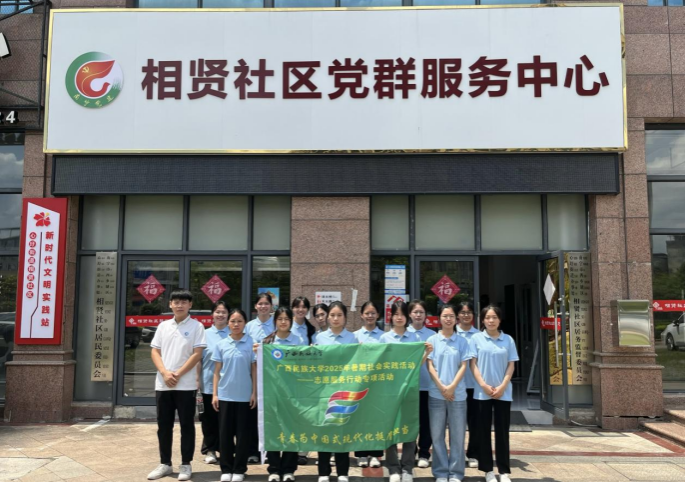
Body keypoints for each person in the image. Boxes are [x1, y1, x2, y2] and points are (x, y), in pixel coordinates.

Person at [147, 289, 207, 482]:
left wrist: (178, 374)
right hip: (163, 384)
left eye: (184, 302)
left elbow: (197, 354)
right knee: (163, 426)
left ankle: (186, 464)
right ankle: (165, 463)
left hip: (186, 385)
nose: (179, 305)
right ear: (170, 304)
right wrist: (165, 373)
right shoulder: (163, 326)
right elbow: (155, 351)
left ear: (190, 305)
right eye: (176, 302)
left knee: (187, 426)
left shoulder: (197, 326)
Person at [380, 301, 432, 483]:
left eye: (402, 314)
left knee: (409, 428)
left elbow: (416, 364)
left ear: (407, 316)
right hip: (390, 391)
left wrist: (426, 354)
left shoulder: (414, 339)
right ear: (391, 317)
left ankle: (407, 467)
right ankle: (393, 467)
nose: (399, 317)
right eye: (396, 314)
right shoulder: (384, 338)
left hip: (410, 390)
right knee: (391, 428)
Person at [469, 306, 519, 483]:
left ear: (500, 319)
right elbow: (473, 365)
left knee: (502, 432)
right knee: (483, 432)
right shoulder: (476, 338)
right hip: (482, 392)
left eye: (494, 317)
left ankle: (504, 471)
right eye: (488, 317)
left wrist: (503, 386)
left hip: (503, 392)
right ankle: (488, 470)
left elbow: (511, 365)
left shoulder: (508, 340)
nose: (491, 321)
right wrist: (483, 385)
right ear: (482, 320)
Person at [426, 304, 471, 483]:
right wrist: (442, 388)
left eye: (451, 316)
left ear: (456, 319)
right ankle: (440, 472)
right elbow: (430, 366)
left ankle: (456, 473)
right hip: (436, 395)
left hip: (457, 395)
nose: (448, 319)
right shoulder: (432, 340)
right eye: (445, 316)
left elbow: (464, 366)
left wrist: (451, 387)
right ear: (439, 318)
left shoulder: (462, 341)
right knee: (437, 435)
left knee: (457, 435)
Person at [212, 309, 257, 483]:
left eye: (239, 321)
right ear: (228, 323)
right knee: (225, 435)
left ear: (245, 323)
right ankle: (226, 468)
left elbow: (254, 370)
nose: (236, 324)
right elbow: (217, 371)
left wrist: (254, 393)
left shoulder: (251, 343)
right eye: (233, 321)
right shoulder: (222, 344)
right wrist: (215, 394)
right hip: (225, 396)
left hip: (244, 396)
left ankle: (239, 469)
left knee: (243, 435)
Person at [314, 301, 357, 483]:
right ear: (327, 317)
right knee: (324, 429)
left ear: (345, 317)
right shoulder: (320, 338)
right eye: (332, 315)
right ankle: (324, 472)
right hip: (324, 390)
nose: (335, 318)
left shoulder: (352, 338)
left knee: (342, 430)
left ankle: (342, 472)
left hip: (344, 391)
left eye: (339, 315)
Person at [262, 307, 301, 482]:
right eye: (280, 319)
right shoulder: (267, 342)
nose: (283, 322)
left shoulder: (298, 340)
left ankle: (289, 469)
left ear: (291, 321)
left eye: (286, 319)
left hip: (292, 393)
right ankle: (274, 469)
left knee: (291, 429)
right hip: (272, 392)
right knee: (273, 429)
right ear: (275, 321)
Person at [196, 301, 230, 466]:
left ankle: (225, 449)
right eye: (217, 312)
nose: (220, 315)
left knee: (226, 420)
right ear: (212, 314)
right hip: (208, 384)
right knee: (209, 419)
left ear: (228, 315)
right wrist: (197, 380)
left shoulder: (235, 333)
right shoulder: (204, 334)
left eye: (224, 312)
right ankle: (210, 449)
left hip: (230, 385)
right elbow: (198, 359)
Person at [353, 301, 384, 469]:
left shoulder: (384, 336)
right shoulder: (354, 336)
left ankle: (376, 454)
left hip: (378, 384)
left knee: (376, 419)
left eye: (373, 313)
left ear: (378, 315)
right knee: (360, 419)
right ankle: (361, 454)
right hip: (359, 384)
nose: (370, 316)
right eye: (367, 313)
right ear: (361, 315)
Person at [245, 293, 274, 464]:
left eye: (266, 303)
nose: (263, 306)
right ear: (255, 306)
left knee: (269, 414)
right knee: (252, 414)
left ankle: (270, 450)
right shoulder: (249, 326)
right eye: (260, 303)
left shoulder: (277, 324)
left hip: (271, 374)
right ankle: (253, 451)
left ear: (271, 306)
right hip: (252, 373)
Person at [407, 299, 435, 469]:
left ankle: (424, 453)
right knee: (410, 421)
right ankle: (411, 451)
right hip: (409, 386)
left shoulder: (432, 335)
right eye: (415, 312)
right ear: (409, 314)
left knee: (426, 421)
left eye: (421, 312)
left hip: (427, 384)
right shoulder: (405, 334)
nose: (418, 315)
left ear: (426, 315)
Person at [456, 301, 481, 469]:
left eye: (469, 312)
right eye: (463, 312)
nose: (466, 315)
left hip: (474, 386)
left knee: (475, 423)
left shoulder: (479, 335)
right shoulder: (452, 333)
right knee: (456, 424)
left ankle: (473, 454)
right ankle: (456, 454)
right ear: (458, 315)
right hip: (455, 386)